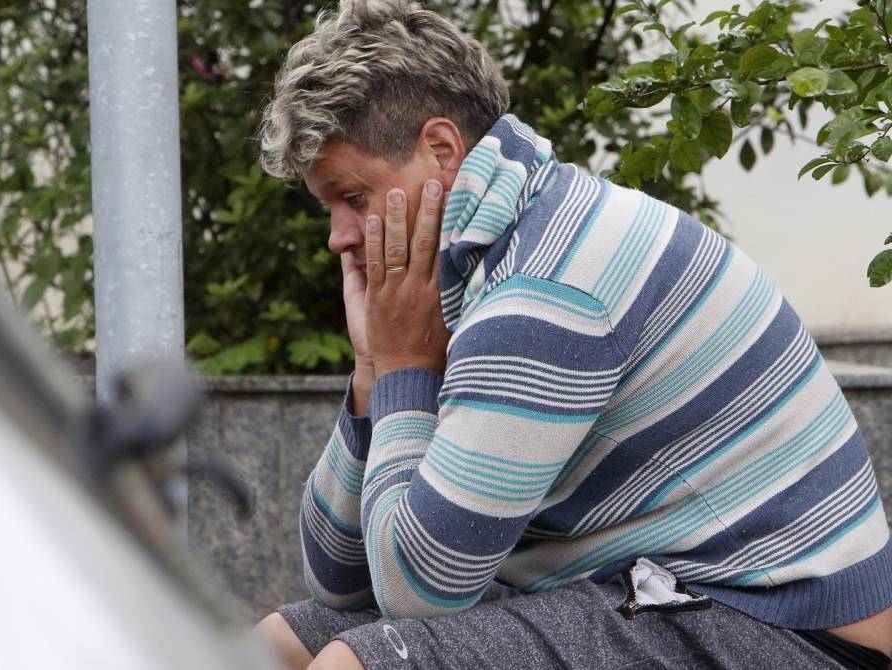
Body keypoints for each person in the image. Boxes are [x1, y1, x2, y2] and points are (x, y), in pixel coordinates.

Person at [250, 1, 892, 669]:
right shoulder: (496, 247)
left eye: (353, 198)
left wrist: (406, 363)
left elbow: (420, 591)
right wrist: (370, 368)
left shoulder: (550, 284)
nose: (337, 238)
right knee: (275, 648)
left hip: (793, 629)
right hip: (666, 588)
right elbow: (340, 581)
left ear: (441, 150)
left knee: (358, 665)